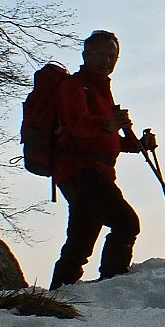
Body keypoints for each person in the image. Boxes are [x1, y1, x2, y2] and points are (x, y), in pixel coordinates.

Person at [49, 30, 155, 289]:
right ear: (86, 55)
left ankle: (57, 295)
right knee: (126, 223)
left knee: (80, 243)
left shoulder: (98, 89)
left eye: (113, 56)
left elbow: (106, 139)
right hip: (83, 171)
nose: (108, 60)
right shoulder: (74, 86)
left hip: (86, 172)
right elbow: (78, 124)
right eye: (102, 54)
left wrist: (136, 144)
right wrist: (109, 124)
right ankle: (114, 284)